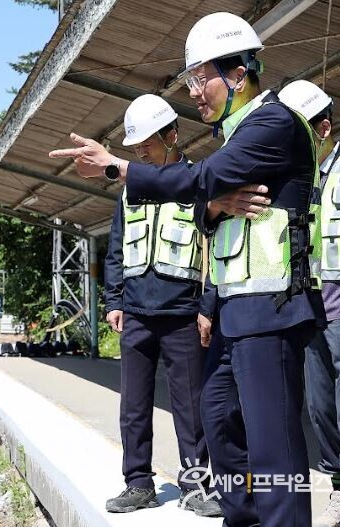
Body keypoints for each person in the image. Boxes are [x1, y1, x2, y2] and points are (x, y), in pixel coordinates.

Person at [49, 12, 323, 527]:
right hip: (234, 314)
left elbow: (206, 178)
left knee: (275, 446)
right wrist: (217, 205)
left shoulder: (273, 121)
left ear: (238, 72)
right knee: (218, 421)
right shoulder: (237, 133)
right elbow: (204, 207)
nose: (194, 92)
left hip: (272, 310)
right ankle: (243, 518)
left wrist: (119, 166)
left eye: (201, 78)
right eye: (190, 80)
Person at [103, 94, 220, 517]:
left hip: (183, 316)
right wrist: (113, 300)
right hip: (135, 313)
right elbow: (115, 248)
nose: (141, 154)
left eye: (147, 145)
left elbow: (216, 250)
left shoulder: (199, 183)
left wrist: (207, 306)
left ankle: (196, 487)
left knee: (191, 408)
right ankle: (138, 484)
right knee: (133, 406)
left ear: (173, 135)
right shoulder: (130, 190)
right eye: (135, 149)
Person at [280, 79, 340, 527]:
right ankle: (339, 486)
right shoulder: (299, 182)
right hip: (311, 308)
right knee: (320, 408)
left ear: (322, 128)